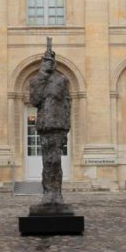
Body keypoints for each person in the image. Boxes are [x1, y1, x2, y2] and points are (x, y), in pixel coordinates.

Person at [28, 38, 71, 211]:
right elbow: (35, 100)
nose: (49, 65)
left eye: (51, 62)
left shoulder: (62, 80)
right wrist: (42, 77)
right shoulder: (35, 81)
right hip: (45, 125)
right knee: (48, 161)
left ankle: (57, 194)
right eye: (46, 62)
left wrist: (67, 128)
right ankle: (48, 193)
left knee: (56, 161)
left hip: (59, 125)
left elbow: (67, 104)